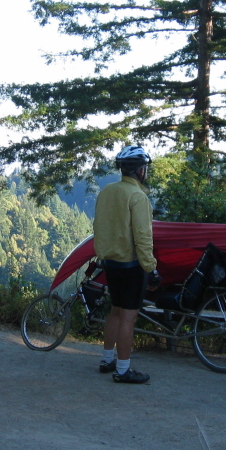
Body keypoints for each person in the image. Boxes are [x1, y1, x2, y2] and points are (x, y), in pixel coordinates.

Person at [92, 146, 155, 384]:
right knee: (128, 317)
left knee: (115, 311)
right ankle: (123, 369)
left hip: (110, 263)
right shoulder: (138, 196)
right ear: (140, 171)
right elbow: (142, 235)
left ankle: (107, 359)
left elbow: (99, 227)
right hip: (131, 265)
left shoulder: (107, 192)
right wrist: (150, 267)